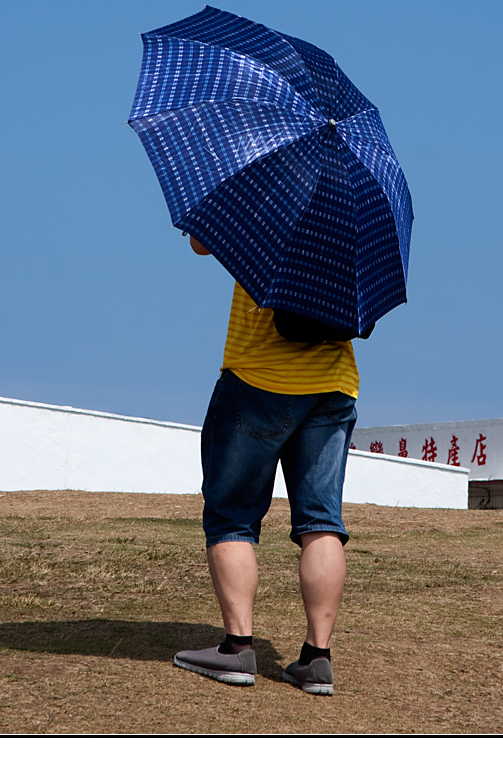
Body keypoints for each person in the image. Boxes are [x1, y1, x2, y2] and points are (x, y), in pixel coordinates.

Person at [173, 235, 360, 696]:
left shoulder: (264, 205)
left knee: (231, 513)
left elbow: (201, 243)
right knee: (322, 521)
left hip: (258, 378)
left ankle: (237, 649)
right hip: (333, 386)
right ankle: (317, 659)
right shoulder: (349, 224)